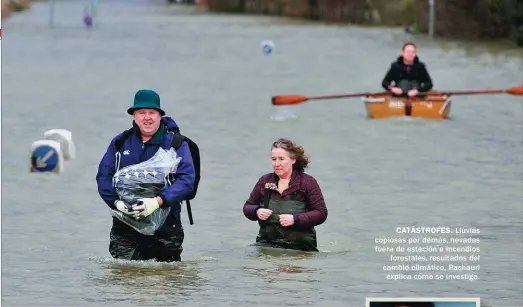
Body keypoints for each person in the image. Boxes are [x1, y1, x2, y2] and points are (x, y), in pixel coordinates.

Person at [96, 89, 196, 262]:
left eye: (152, 112)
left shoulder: (176, 144)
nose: (147, 117)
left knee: (165, 281)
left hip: (166, 228)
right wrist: (116, 203)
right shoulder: (120, 142)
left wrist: (157, 202)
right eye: (142, 113)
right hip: (125, 226)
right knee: (124, 278)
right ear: (134, 116)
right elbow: (103, 177)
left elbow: (187, 180)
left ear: (159, 115)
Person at [243, 138, 328, 252]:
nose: (277, 164)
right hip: (267, 245)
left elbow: (321, 213)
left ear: (293, 160)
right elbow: (247, 207)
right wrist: (256, 211)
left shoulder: (307, 182)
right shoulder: (265, 181)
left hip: (300, 248)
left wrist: (295, 219)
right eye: (274, 159)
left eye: (281, 159)